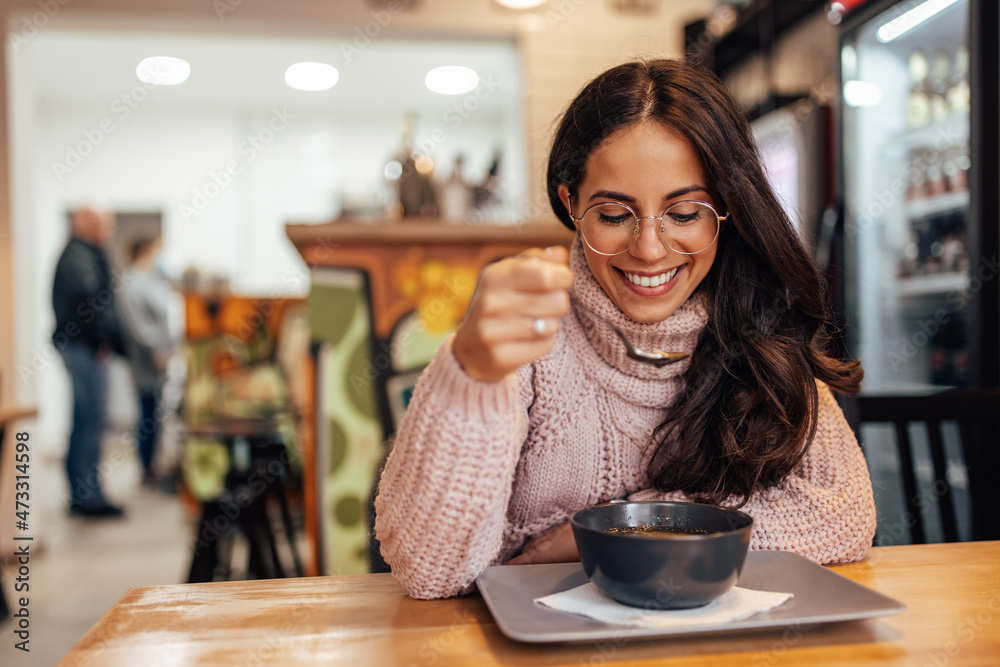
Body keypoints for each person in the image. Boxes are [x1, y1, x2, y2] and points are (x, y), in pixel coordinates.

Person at [374, 59, 876, 600]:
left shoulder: (760, 333)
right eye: (614, 215)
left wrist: (610, 532)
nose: (650, 249)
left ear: (725, 209)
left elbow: (843, 513)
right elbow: (430, 573)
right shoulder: (526, 339)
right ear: (571, 205)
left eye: (684, 213)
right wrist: (468, 376)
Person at [52, 205, 127, 517]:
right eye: (101, 223)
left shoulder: (81, 254)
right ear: (85, 222)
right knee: (90, 421)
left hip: (83, 345)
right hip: (85, 347)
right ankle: (88, 496)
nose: (106, 231)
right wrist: (101, 340)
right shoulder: (79, 256)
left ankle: (84, 492)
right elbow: (90, 300)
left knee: (85, 420)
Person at [119, 233, 174, 486]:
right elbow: (138, 324)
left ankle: (153, 465)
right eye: (157, 250)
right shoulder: (132, 282)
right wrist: (155, 350)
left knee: (155, 411)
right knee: (148, 413)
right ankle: (146, 468)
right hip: (147, 358)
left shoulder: (152, 280)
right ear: (146, 251)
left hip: (159, 357)